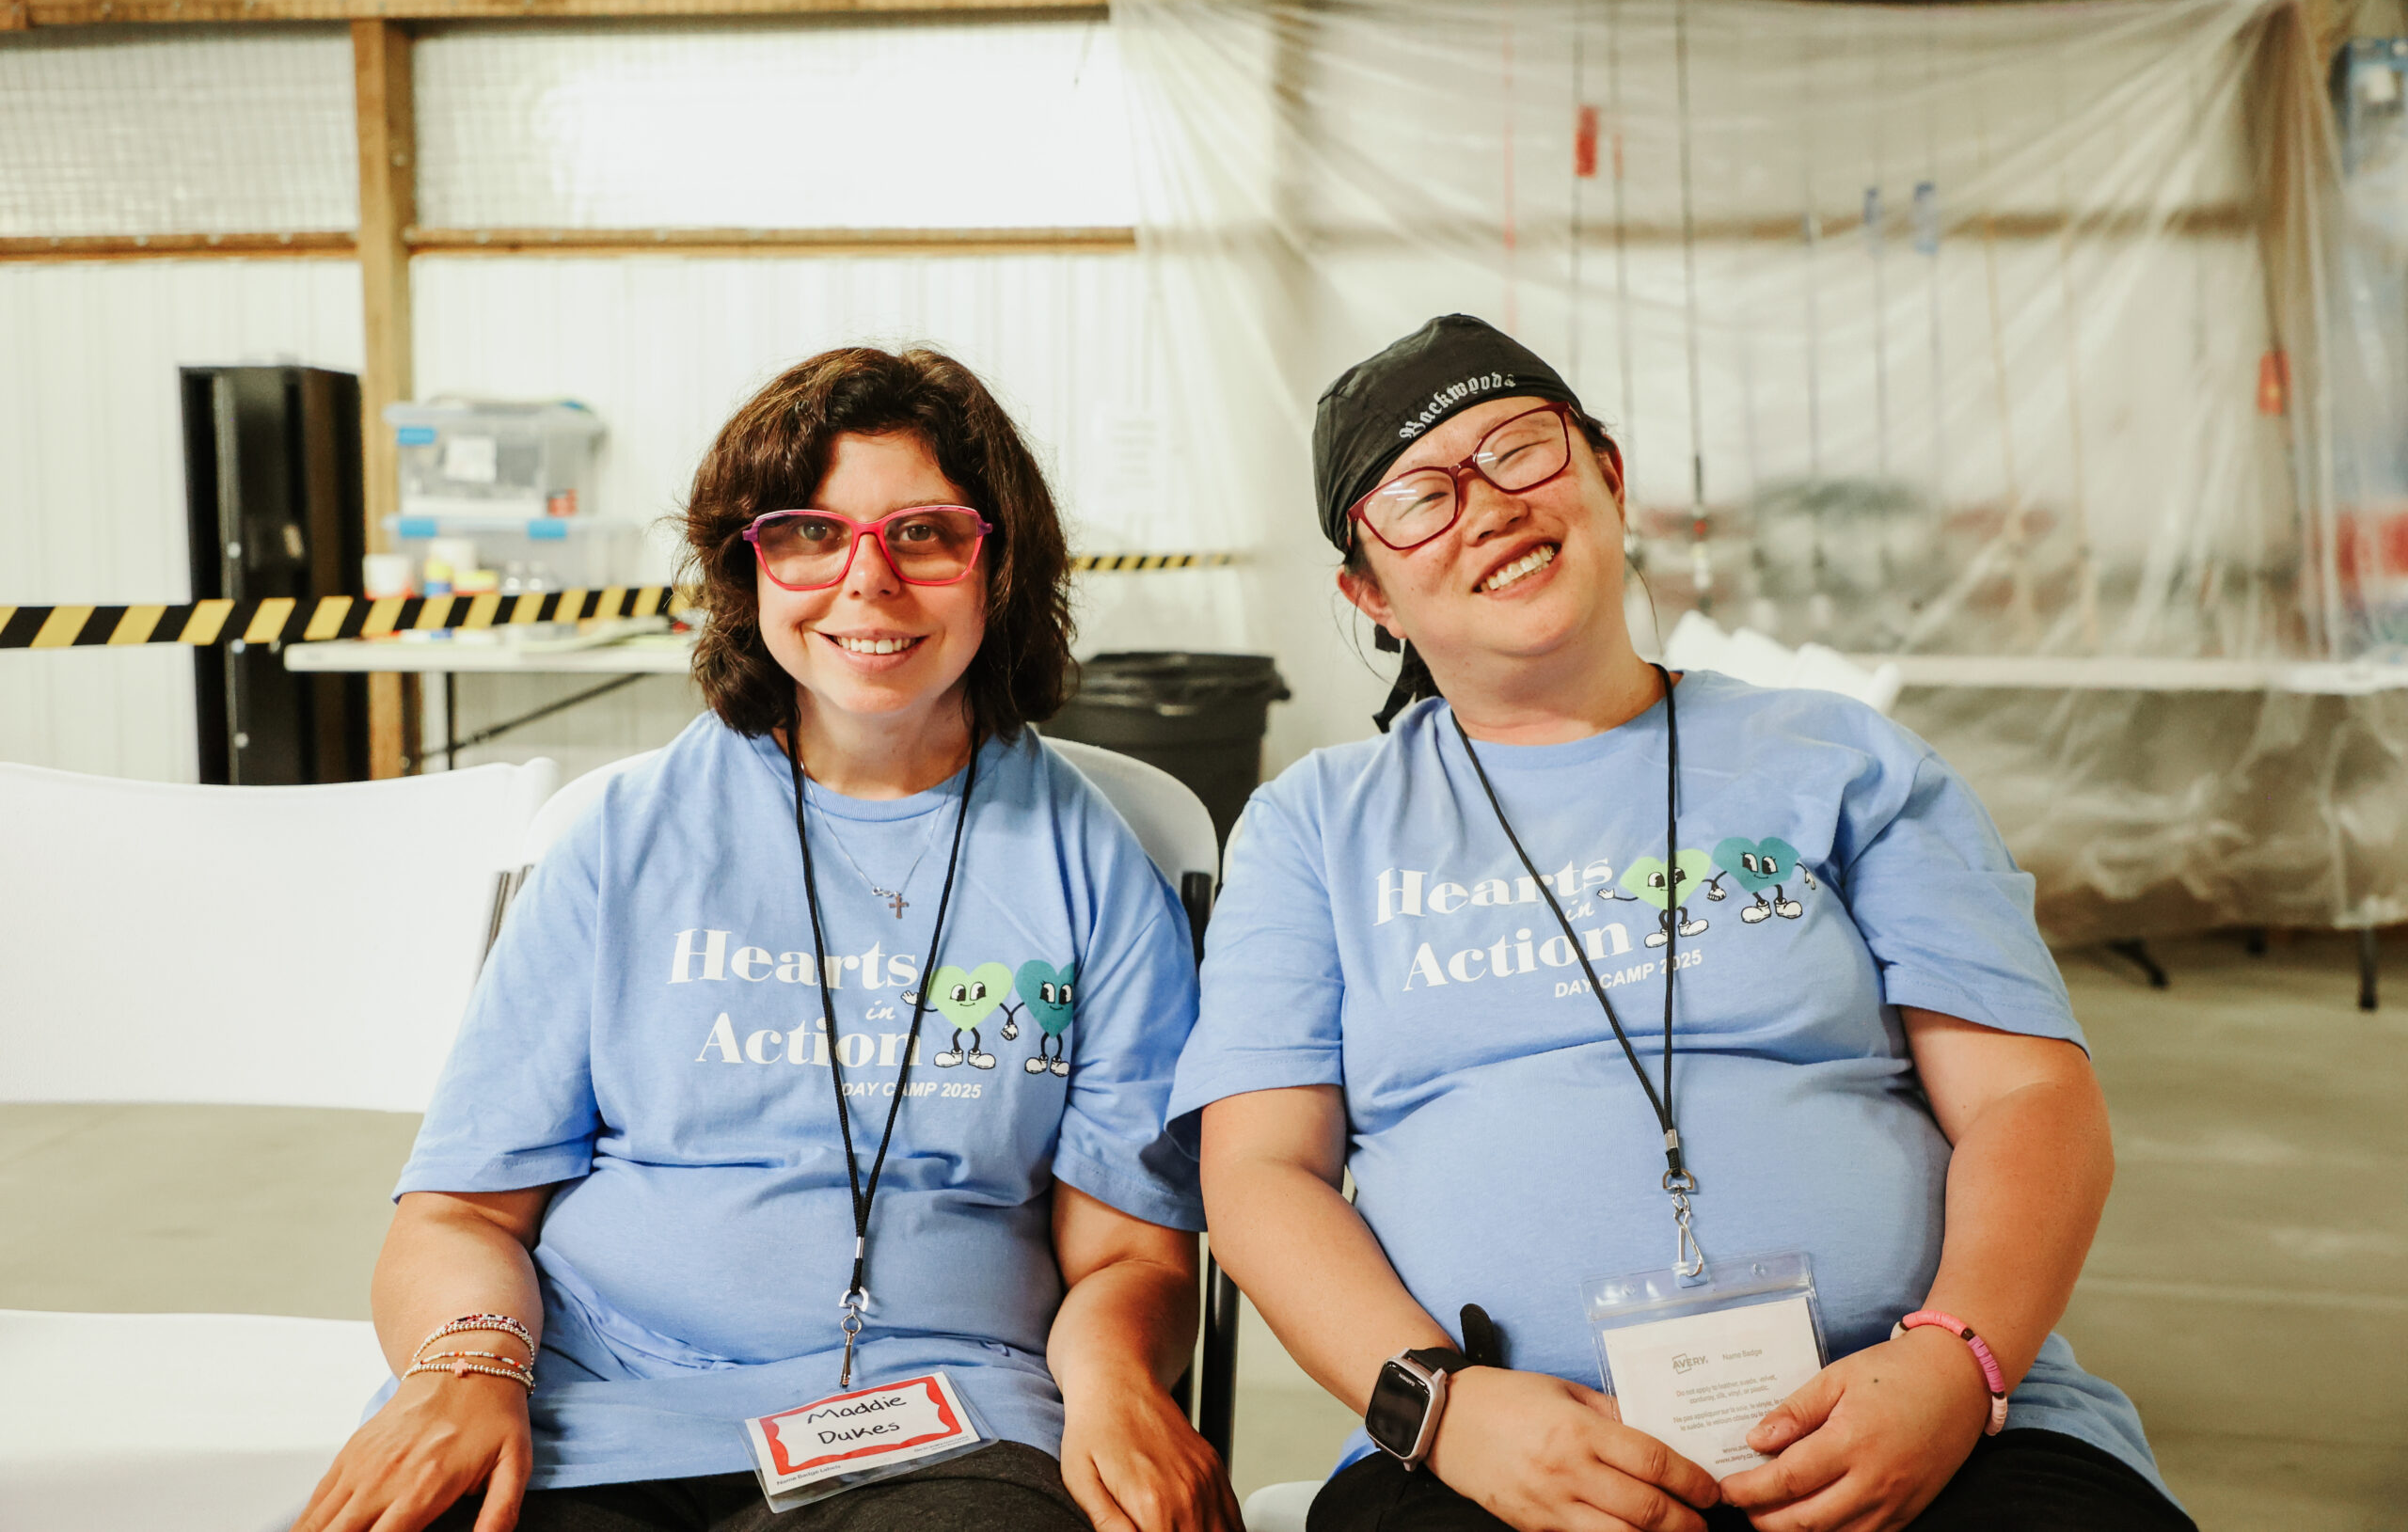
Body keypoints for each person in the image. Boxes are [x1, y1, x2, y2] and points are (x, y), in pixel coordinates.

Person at [1171, 316, 2194, 1532]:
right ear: (1370, 593)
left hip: (1923, 1405)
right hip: (1492, 1445)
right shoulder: (1314, 827)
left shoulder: (1843, 761)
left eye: (1518, 450)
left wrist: (1954, 1361)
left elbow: (2030, 1097)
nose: (1487, 505)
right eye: (1421, 496)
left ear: (1608, 475)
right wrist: (1444, 1408)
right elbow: (1260, 1175)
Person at [295, 347, 1239, 1532]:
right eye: (807, 535)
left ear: (1001, 564)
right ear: (748, 569)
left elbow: (1131, 1260)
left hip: (945, 1427)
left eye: (926, 534)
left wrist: (1110, 1382)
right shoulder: (622, 838)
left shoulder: (1095, 868)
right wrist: (467, 1365)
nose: (867, 583)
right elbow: (463, 1212)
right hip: (588, 1410)